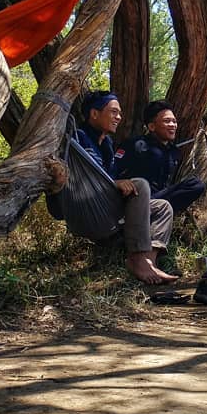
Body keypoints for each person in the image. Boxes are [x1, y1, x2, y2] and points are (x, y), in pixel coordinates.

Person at [75, 91, 177, 285]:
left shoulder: (106, 143)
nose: (119, 117)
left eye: (119, 113)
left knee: (163, 206)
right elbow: (83, 179)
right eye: (113, 112)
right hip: (90, 210)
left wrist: (115, 183)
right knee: (140, 184)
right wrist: (114, 183)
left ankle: (148, 261)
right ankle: (137, 257)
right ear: (94, 114)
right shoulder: (79, 138)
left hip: (109, 204)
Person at [114, 100, 206, 215]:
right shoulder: (136, 144)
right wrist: (118, 182)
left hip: (160, 200)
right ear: (152, 126)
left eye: (174, 121)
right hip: (135, 199)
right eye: (167, 121)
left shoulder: (174, 152)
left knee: (196, 185)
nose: (172, 125)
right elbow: (113, 171)